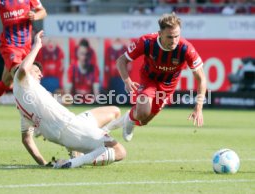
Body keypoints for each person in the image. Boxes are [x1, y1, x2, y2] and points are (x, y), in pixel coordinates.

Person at [12, 31, 126, 168]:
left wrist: (43, 163)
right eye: (36, 71)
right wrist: (37, 45)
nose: (41, 74)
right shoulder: (22, 81)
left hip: (72, 123)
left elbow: (26, 139)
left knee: (115, 111)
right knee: (120, 152)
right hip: (71, 128)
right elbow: (23, 69)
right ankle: (74, 162)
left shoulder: (23, 102)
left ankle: (85, 147)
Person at [116, 13, 207, 142]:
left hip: (168, 85)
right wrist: (127, 80)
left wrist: (199, 107)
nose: (174, 40)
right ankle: (130, 121)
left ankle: (128, 118)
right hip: (149, 79)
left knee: (144, 120)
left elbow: (202, 79)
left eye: (177, 36)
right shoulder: (146, 41)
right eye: (170, 37)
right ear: (160, 33)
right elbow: (121, 61)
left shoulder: (186, 48)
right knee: (142, 112)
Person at [0, 0, 47, 127]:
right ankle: (37, 117)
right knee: (21, 75)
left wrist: (35, 16)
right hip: (9, 45)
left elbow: (43, 11)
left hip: (26, 46)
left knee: (6, 83)